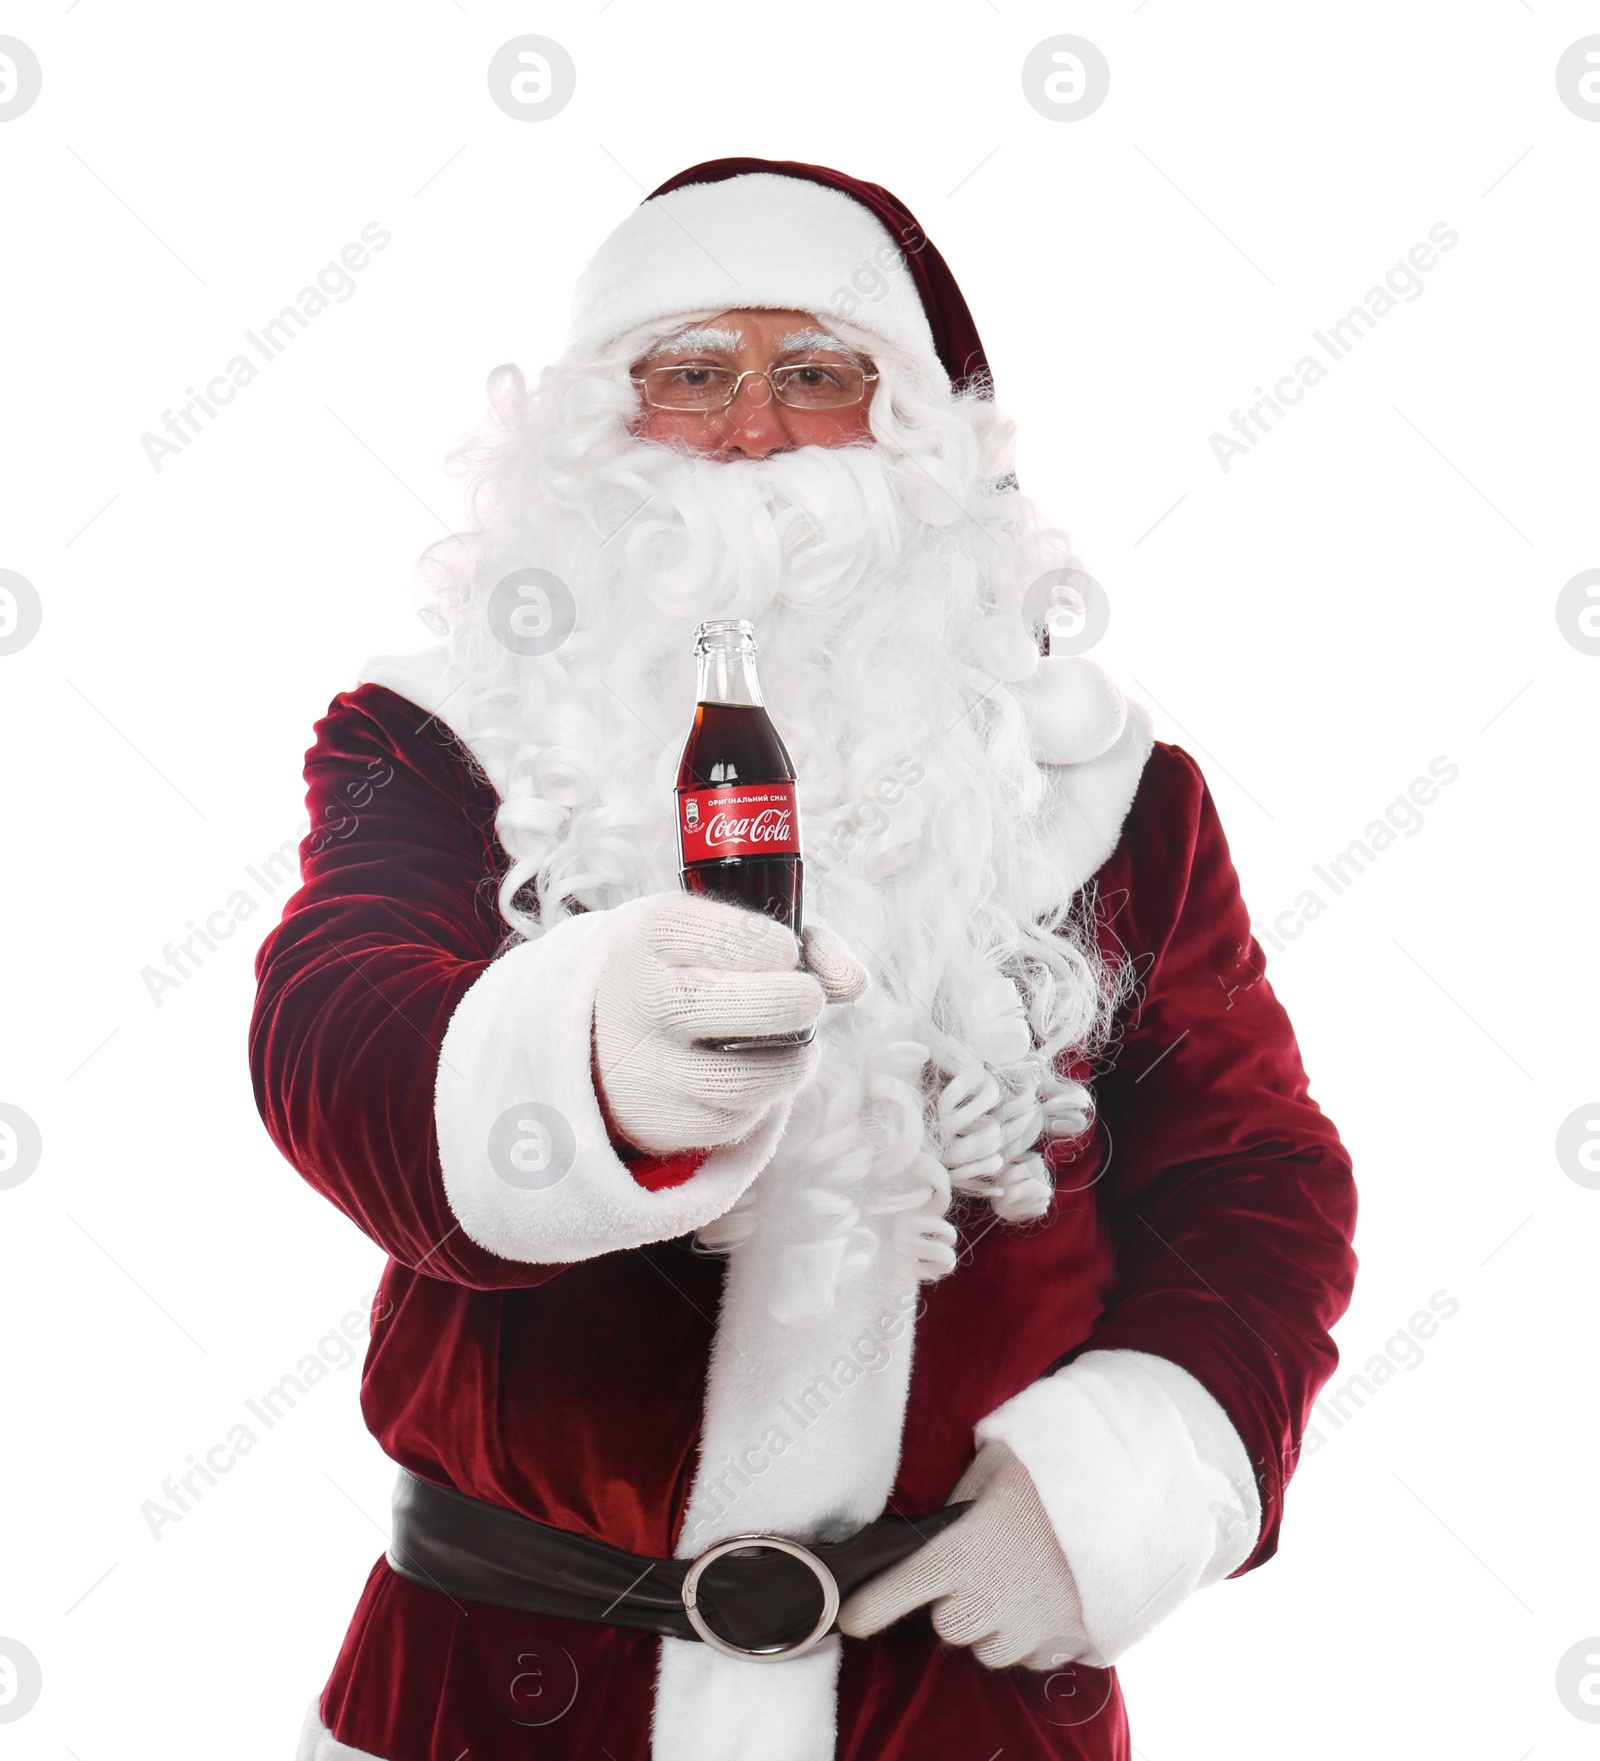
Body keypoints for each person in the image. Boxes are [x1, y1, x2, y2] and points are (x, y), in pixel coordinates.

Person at [254, 158, 1357, 1761]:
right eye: (692, 373)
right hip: (504, 1690)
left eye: (818, 378)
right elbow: (329, 1028)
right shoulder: (438, 741)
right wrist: (591, 1063)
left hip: (954, 1693)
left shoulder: (1106, 792)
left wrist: (1124, 1475)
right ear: (598, 430)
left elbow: (1258, 1176)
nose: (755, 431)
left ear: (915, 434)